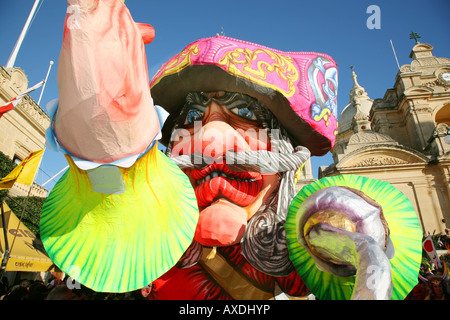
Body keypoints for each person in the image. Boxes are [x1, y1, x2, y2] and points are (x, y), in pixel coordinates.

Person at [41, 0, 423, 300]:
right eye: (190, 119)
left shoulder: (302, 238)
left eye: (243, 116)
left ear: (287, 152)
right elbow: (104, 176)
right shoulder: (148, 233)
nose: (209, 141)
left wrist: (358, 242)